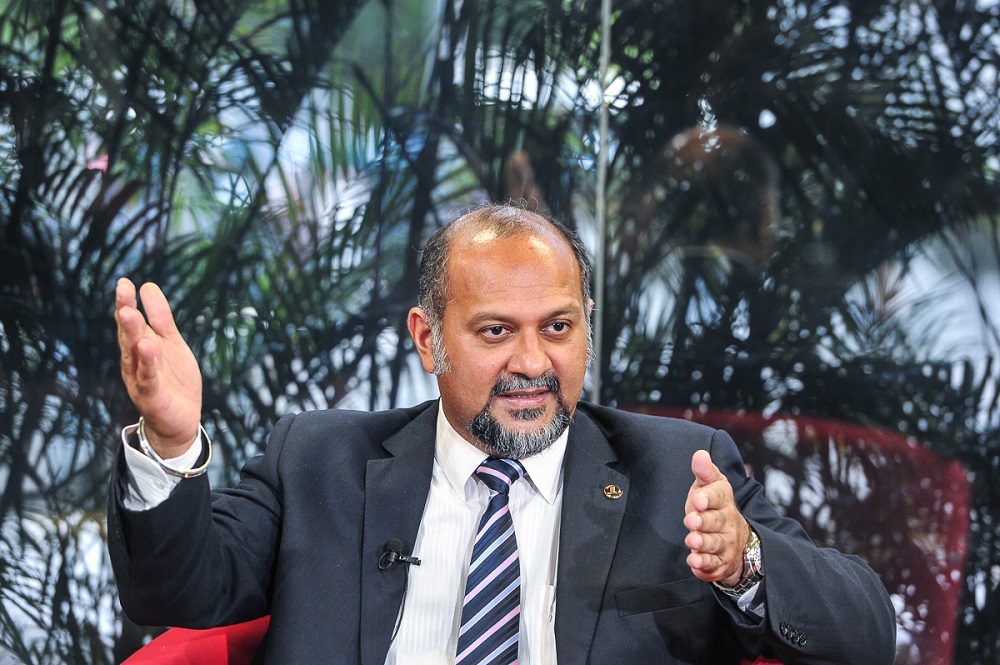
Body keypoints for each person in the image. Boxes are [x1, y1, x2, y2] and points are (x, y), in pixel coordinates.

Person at [108, 204, 896, 664]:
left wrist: (745, 560)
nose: (532, 362)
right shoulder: (317, 459)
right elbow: (175, 594)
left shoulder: (676, 473)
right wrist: (171, 444)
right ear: (427, 339)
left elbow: (865, 629)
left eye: (558, 327)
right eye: (494, 331)